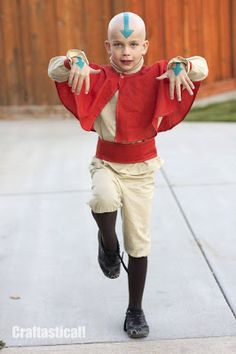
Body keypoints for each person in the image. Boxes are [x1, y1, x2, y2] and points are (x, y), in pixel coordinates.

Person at [48, 11, 208, 339]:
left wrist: (183, 66)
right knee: (102, 197)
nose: (126, 51)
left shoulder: (159, 74)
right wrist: (73, 60)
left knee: (138, 243)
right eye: (119, 44)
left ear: (145, 46)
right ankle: (108, 244)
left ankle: (135, 309)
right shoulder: (96, 74)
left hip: (142, 169)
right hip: (106, 161)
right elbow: (54, 70)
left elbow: (202, 66)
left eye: (133, 44)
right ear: (108, 47)